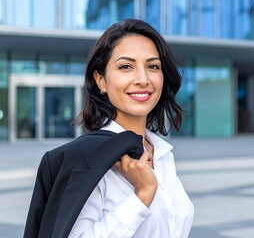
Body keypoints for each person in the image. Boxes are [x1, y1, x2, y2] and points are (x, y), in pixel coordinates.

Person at [24, 18, 194, 238]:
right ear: (101, 80)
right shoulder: (87, 160)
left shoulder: (161, 153)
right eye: (126, 67)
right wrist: (142, 195)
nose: (143, 79)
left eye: (152, 66)